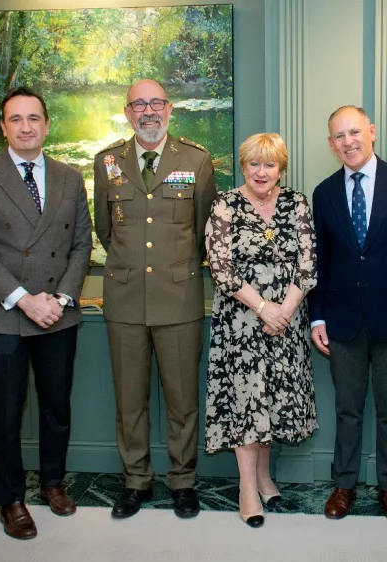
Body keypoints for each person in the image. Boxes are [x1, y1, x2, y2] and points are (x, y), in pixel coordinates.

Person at [0, 87, 92, 540]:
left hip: (58, 314)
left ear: (47, 125)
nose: (26, 126)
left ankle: (53, 482)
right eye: (16, 119)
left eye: (34, 118)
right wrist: (24, 299)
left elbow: (81, 245)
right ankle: (9, 498)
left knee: (56, 407)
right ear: (3, 128)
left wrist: (62, 299)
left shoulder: (70, 177)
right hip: (4, 315)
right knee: (6, 412)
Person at [93, 79, 216, 520]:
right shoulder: (107, 161)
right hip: (125, 299)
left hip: (178, 298)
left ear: (169, 109)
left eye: (156, 103)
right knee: (130, 400)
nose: (148, 111)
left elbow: (204, 231)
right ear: (128, 112)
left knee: (182, 400)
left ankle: (183, 481)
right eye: (139, 104)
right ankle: (135, 481)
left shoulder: (197, 161)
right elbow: (105, 228)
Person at [310, 105, 387, 523]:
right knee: (347, 409)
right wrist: (317, 317)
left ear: (372, 132)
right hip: (342, 320)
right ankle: (343, 485)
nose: (348, 142)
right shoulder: (324, 193)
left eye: (354, 132)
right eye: (339, 136)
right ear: (331, 144)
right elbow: (320, 262)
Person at [204, 133, 318, 528]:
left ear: (281, 168)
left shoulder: (297, 203)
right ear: (243, 166)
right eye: (254, 163)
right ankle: (247, 488)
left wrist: (283, 312)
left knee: (271, 398)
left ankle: (265, 478)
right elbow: (220, 268)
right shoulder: (225, 204)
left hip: (287, 321)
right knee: (247, 401)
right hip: (241, 322)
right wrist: (263, 308)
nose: (261, 171)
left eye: (269, 164)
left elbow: (308, 265)